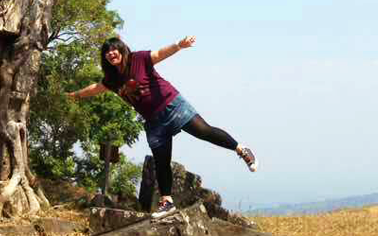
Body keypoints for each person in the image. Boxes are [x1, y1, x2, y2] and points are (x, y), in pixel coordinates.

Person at [67, 36, 256, 220]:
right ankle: (167, 202)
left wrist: (178, 45)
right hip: (154, 121)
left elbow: (159, 54)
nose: (111, 53)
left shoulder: (138, 59)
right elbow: (95, 88)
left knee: (204, 131)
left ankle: (241, 149)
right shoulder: (112, 79)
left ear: (122, 49)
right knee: (161, 161)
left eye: (113, 49)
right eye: (107, 52)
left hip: (172, 104)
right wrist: (75, 95)